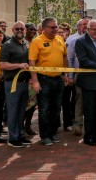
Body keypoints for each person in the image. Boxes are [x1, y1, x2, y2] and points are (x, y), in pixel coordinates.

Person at [29, 17, 67, 146]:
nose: (56, 29)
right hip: (44, 79)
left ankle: (53, 132)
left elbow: (64, 57)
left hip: (58, 79)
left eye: (56, 27)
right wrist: (35, 81)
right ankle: (45, 135)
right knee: (44, 109)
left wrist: (65, 74)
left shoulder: (60, 39)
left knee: (56, 108)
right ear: (44, 28)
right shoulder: (37, 42)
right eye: (52, 27)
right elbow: (32, 62)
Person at [0, 21, 33, 148]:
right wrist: (19, 65)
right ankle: (13, 138)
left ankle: (20, 134)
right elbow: (2, 64)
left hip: (25, 83)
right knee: (13, 111)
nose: (20, 30)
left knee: (21, 111)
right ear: (13, 30)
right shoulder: (7, 45)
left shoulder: (26, 44)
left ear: (25, 30)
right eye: (17, 28)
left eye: (22, 28)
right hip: (13, 83)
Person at [66, 18, 90, 136]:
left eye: (88, 24)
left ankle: (91, 126)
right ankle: (78, 125)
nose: (86, 26)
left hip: (93, 76)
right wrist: (70, 76)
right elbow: (69, 59)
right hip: (79, 75)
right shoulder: (73, 41)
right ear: (79, 26)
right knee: (79, 101)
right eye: (84, 24)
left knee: (92, 102)